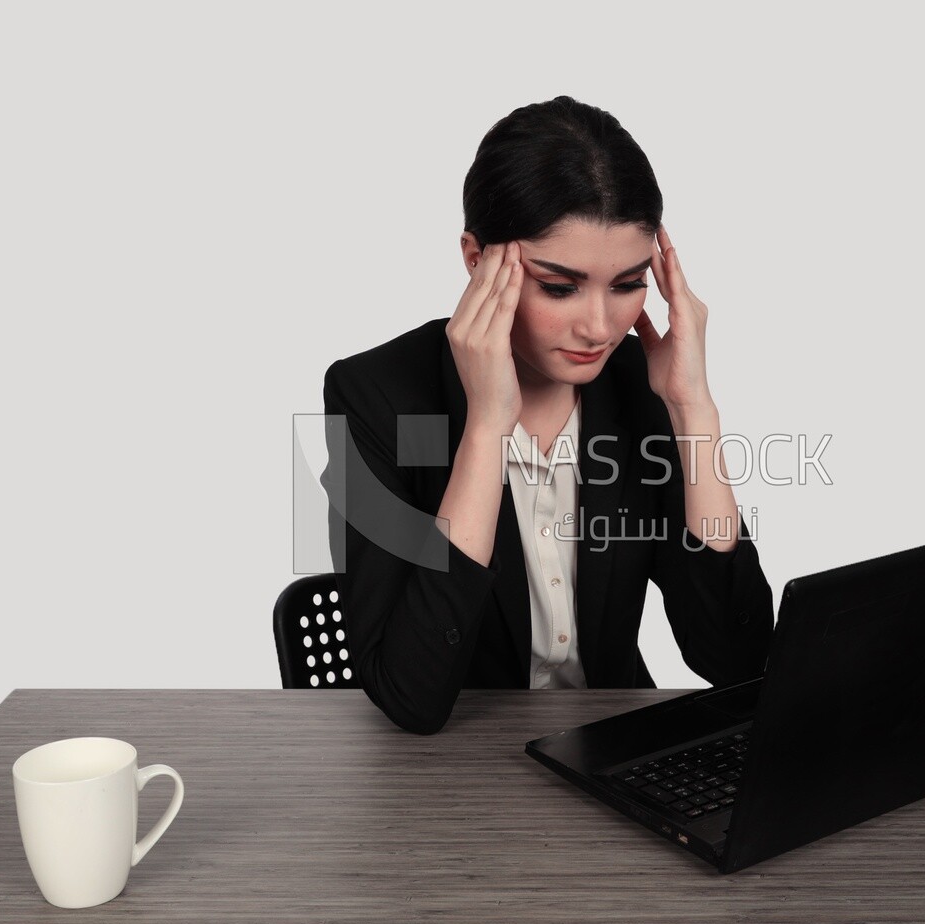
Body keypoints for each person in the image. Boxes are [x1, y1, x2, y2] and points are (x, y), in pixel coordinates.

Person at [321, 95, 773, 735]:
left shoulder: (640, 386)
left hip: (610, 749)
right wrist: (486, 428)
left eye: (627, 283)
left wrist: (692, 410)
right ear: (478, 260)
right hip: (454, 767)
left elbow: (738, 660)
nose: (599, 326)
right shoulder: (372, 394)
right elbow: (410, 698)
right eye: (560, 287)